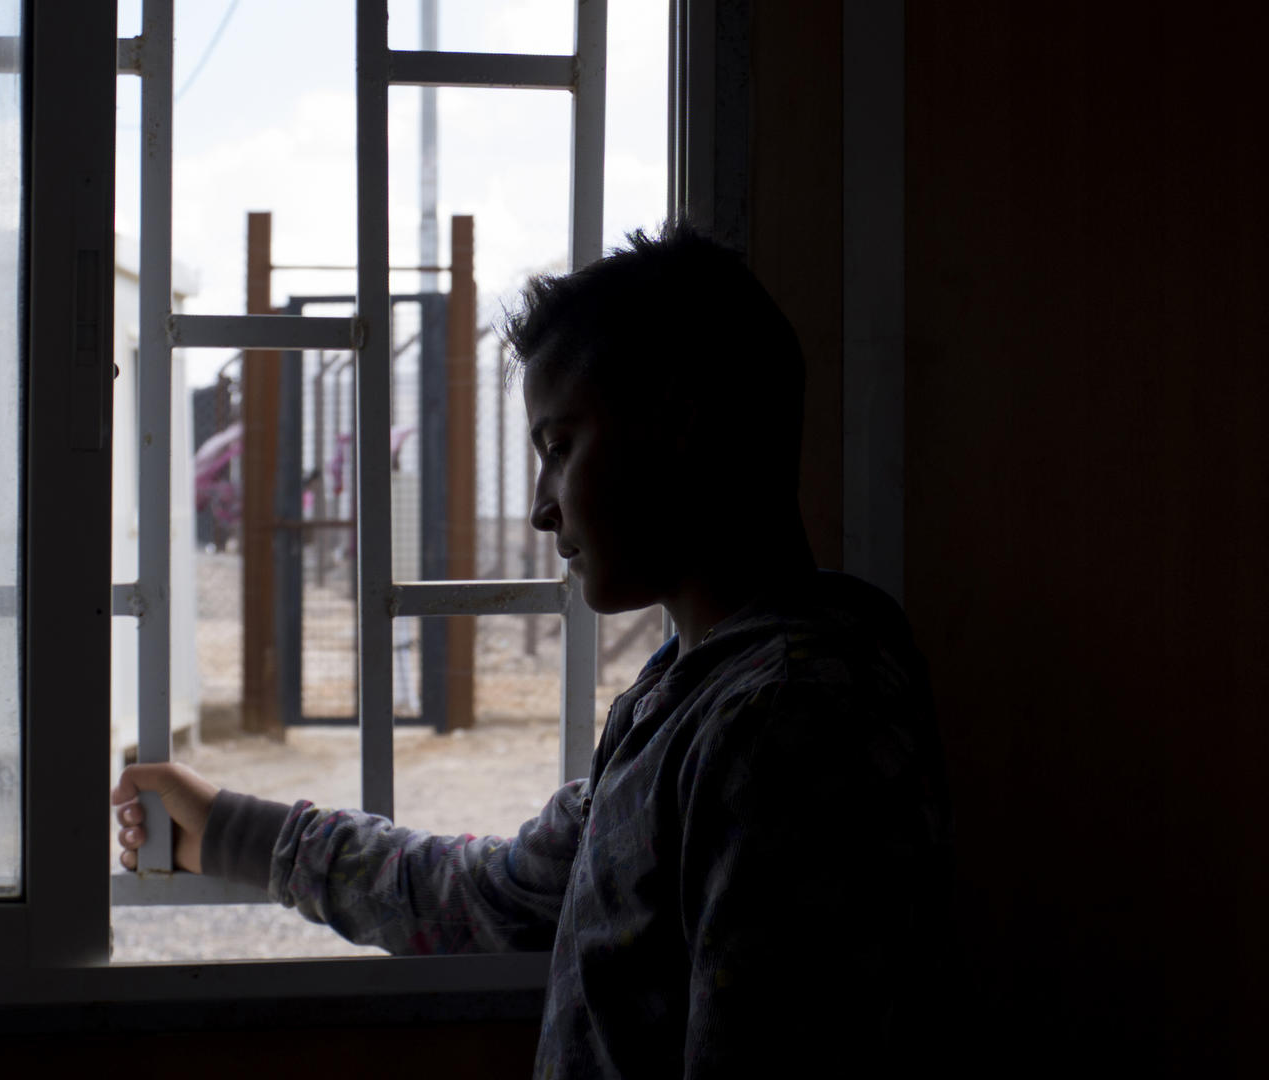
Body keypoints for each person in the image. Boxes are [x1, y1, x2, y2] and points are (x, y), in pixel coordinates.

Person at [111, 220, 959, 1077]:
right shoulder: (688, 698)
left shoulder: (791, 726)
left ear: (680, 425)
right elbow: (496, 895)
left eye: (560, 447)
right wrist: (229, 831)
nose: (541, 508)